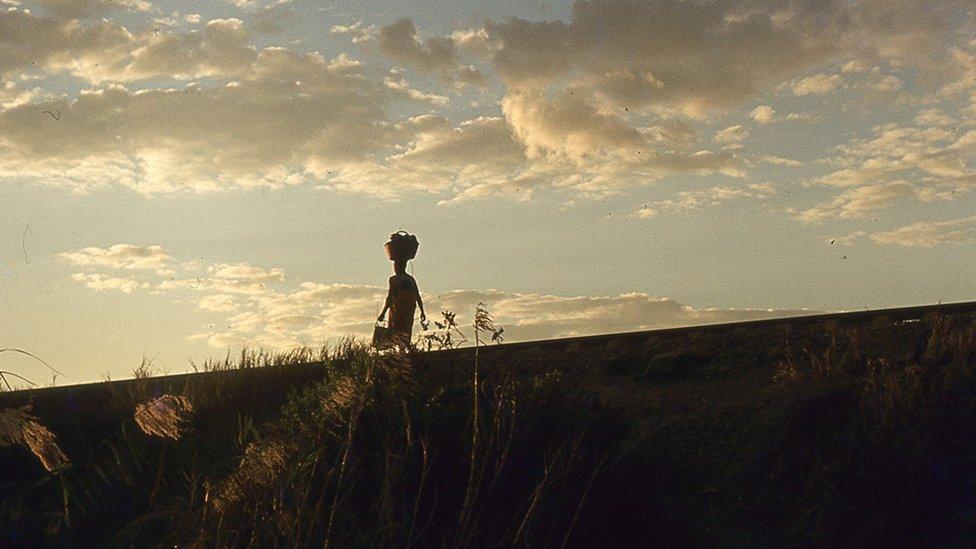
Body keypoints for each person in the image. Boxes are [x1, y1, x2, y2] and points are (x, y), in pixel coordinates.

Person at [377, 258, 426, 347]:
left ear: (401, 267)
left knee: (397, 330)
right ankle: (402, 351)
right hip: (408, 310)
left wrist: (383, 313)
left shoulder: (395, 280)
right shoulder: (411, 279)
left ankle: (400, 353)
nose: (394, 268)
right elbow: (417, 296)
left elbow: (390, 298)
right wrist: (422, 311)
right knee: (405, 330)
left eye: (395, 266)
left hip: (399, 310)